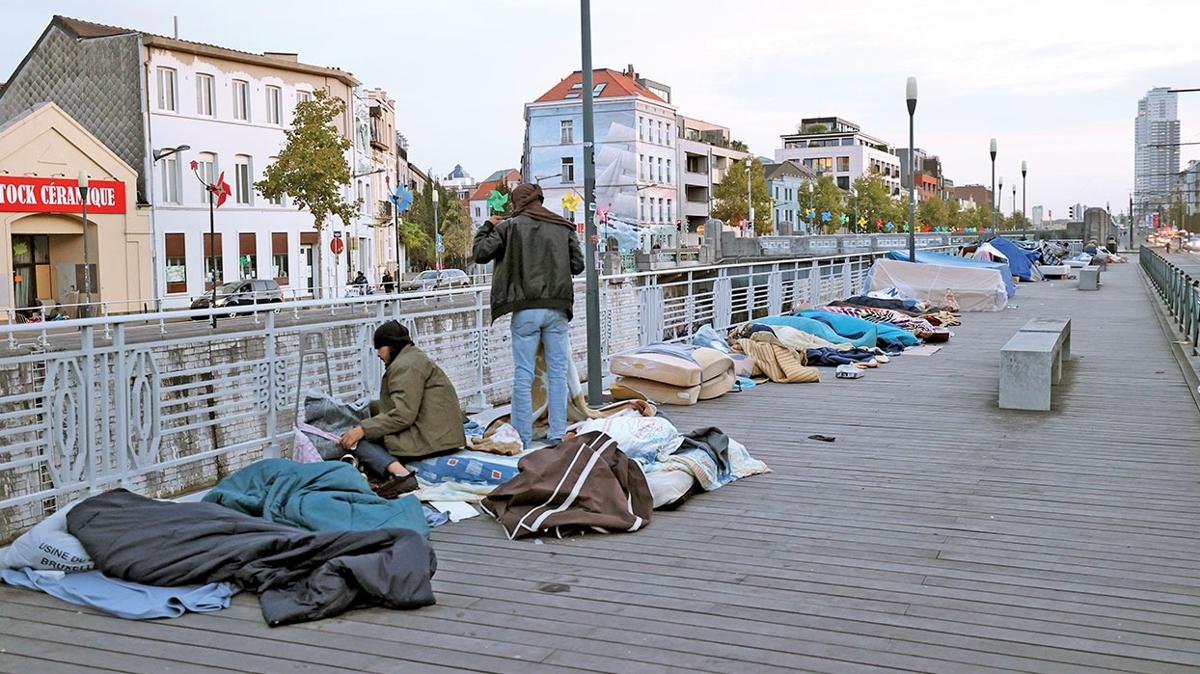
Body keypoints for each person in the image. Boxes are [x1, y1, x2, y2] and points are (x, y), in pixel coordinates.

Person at [473, 183, 584, 447]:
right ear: (540, 199)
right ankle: (557, 433)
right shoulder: (562, 226)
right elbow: (577, 266)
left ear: (517, 202)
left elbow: (480, 254)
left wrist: (487, 225)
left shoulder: (508, 227)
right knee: (557, 373)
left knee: (523, 374)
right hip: (557, 307)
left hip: (525, 309)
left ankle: (522, 436)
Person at [338, 321, 467, 497]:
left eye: (379, 348)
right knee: (370, 413)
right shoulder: (413, 358)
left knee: (359, 442)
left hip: (433, 440)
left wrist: (362, 430)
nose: (378, 354)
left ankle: (401, 474)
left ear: (391, 345)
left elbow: (403, 415)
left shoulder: (404, 366)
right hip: (440, 432)